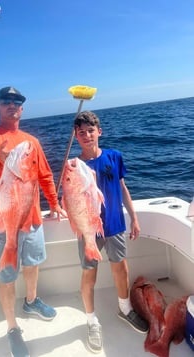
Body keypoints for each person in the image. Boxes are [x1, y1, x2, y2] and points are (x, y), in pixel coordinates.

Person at [0, 86, 66, 357]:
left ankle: (32, 301)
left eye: (17, 102)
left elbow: (45, 175)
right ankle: (13, 328)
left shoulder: (31, 142)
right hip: (4, 222)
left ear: (22, 109)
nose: (12, 105)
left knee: (33, 265)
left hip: (32, 217)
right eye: (6, 101)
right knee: (7, 275)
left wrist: (54, 202)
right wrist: (0, 160)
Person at [73, 111, 148, 354]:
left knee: (120, 267)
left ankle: (124, 308)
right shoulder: (75, 166)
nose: (87, 136)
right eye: (81, 132)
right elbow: (70, 201)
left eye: (90, 131)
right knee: (89, 275)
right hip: (89, 230)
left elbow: (123, 188)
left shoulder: (114, 157)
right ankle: (91, 320)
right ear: (75, 137)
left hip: (115, 224)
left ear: (99, 132)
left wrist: (133, 217)